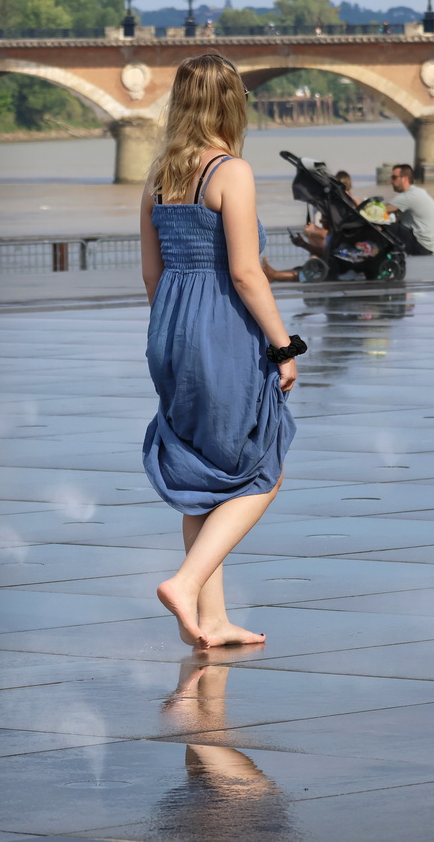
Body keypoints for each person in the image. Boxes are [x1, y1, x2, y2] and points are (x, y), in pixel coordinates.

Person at [140, 53, 306, 650]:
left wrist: (175, 334)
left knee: (199, 475)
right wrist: (284, 345)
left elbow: (152, 276)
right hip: (224, 333)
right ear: (232, 102)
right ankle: (186, 584)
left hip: (171, 333)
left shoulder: (159, 176)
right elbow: (245, 273)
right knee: (265, 466)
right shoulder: (231, 172)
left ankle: (210, 619)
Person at [262, 170, 358, 282]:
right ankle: (274, 274)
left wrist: (307, 240)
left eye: (324, 218)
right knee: (301, 269)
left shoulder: (343, 220)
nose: (321, 220)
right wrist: (303, 244)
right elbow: (325, 253)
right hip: (331, 261)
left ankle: (274, 275)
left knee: (308, 273)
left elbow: (326, 253)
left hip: (335, 270)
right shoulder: (335, 232)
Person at [384, 164, 434, 255]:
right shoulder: (418, 192)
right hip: (428, 246)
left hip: (420, 246)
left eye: (394, 177)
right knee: (390, 224)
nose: (391, 181)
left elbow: (381, 210)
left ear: (405, 178)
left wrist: (359, 205)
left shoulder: (409, 196)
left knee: (382, 226)